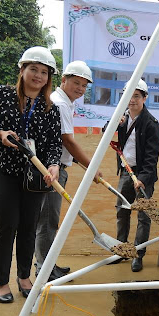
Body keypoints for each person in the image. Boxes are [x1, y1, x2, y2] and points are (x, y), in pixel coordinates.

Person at [0, 46, 62, 303]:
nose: (38, 76)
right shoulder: (1, 94)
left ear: (48, 78)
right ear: (22, 70)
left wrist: (53, 165)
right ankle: (0, 281)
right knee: (6, 224)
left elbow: (55, 144)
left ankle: (24, 276)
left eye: (44, 72)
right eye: (33, 69)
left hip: (35, 177)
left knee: (28, 226)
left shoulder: (50, 109)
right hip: (5, 172)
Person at [35, 61, 103, 281]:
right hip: (51, 170)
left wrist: (87, 168)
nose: (81, 89)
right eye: (76, 83)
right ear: (63, 80)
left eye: (84, 85)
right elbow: (68, 141)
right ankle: (44, 271)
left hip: (56, 167)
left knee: (49, 221)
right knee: (47, 222)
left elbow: (65, 145)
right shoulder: (60, 104)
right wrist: (92, 166)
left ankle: (48, 265)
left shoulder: (65, 103)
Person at [109, 79, 159, 272]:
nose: (132, 100)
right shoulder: (122, 118)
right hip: (126, 171)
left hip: (142, 175)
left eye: (136, 96)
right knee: (122, 210)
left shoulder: (151, 124)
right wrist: (115, 122)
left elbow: (151, 156)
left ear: (144, 98)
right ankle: (122, 249)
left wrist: (144, 179)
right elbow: (106, 131)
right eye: (128, 96)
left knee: (143, 215)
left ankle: (138, 254)